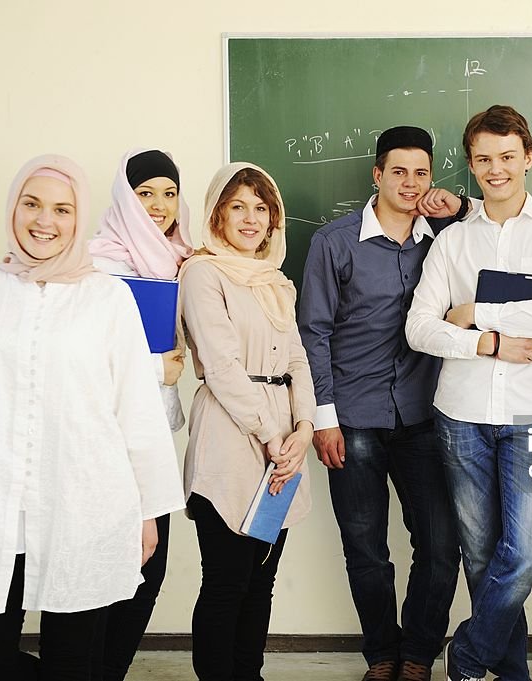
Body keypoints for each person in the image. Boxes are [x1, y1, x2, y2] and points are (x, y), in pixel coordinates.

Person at [0, 154, 184, 681]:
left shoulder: (108, 299)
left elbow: (137, 413)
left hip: (84, 509)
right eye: (32, 204)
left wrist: (147, 513)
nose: (45, 221)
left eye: (62, 208)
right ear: (13, 208)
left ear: (80, 219)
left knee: (74, 663)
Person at [405, 105, 532, 681]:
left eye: (507, 157)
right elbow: (419, 326)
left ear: (527, 157)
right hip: (461, 415)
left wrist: (474, 313)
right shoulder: (452, 241)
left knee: (530, 547)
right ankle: (512, 675)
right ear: (472, 164)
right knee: (482, 558)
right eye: (483, 159)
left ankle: (469, 653)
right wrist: (487, 344)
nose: (495, 169)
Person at [298, 126, 467, 681]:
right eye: (399, 171)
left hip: (423, 415)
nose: (411, 183)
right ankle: (381, 655)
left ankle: (418, 653)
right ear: (377, 174)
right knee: (367, 549)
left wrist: (459, 206)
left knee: (442, 546)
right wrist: (323, 419)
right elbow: (314, 332)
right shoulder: (334, 242)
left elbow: (501, 227)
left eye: (422, 173)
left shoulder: (447, 239)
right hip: (353, 417)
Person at [178, 161, 315, 681]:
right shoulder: (203, 273)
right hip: (232, 438)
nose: (251, 218)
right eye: (238, 206)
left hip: (283, 441)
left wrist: (302, 430)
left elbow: (297, 359)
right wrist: (273, 435)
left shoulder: (275, 281)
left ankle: (247, 673)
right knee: (226, 583)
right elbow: (220, 366)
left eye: (262, 208)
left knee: (262, 580)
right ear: (217, 213)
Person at [88, 148, 194, 681]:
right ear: (124, 198)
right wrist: (160, 369)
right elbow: (87, 356)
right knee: (115, 563)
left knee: (148, 565)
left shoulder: (181, 258)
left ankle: (108, 670)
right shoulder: (98, 263)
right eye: (145, 193)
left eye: (169, 193)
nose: (158, 205)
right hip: (105, 436)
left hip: (152, 434)